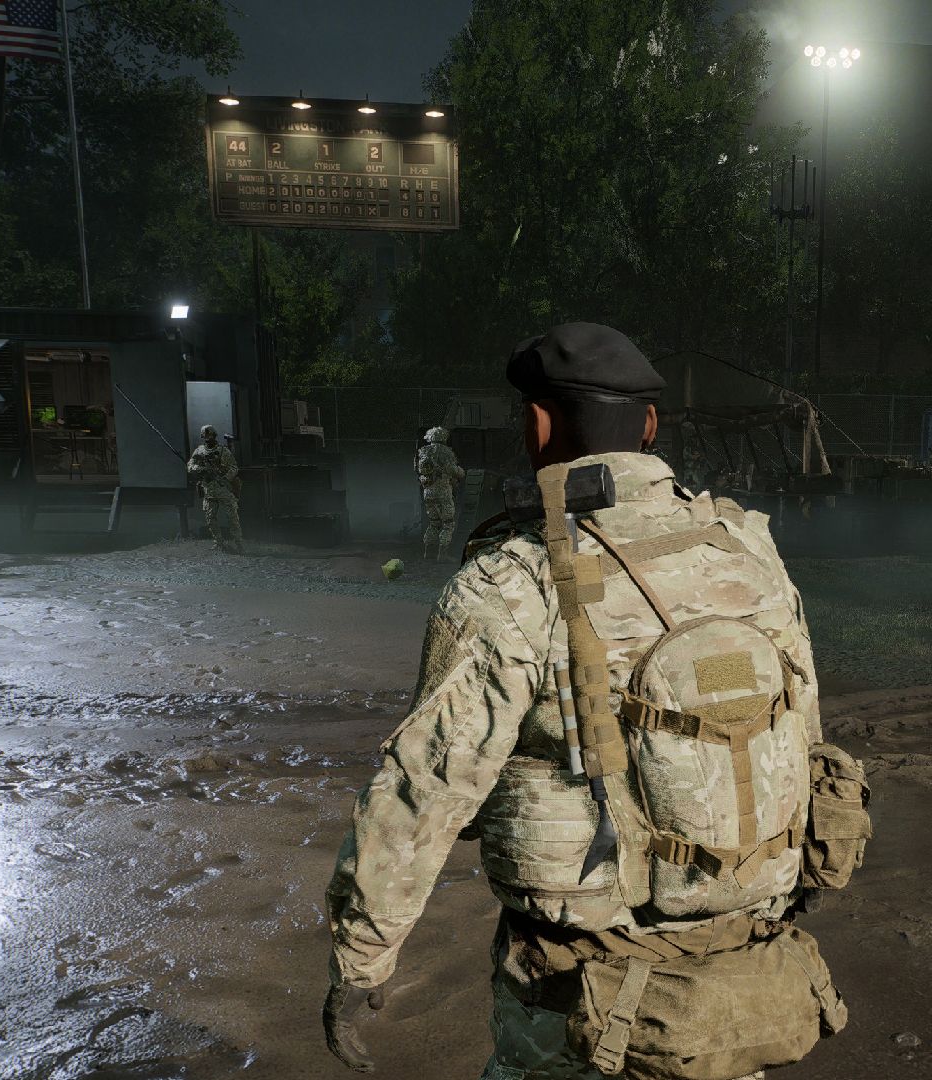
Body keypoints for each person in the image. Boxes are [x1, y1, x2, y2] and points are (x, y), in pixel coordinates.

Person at [324, 323, 858, 1080]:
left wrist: (361, 957)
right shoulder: (750, 551)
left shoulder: (514, 582)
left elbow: (426, 785)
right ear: (649, 427)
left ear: (538, 426)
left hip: (576, 997)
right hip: (735, 989)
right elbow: (801, 742)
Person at [186, 424, 243, 554]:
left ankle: (238, 543)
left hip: (223, 489)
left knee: (232, 517)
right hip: (209, 490)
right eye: (205, 437)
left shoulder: (223, 451)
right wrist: (201, 469)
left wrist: (225, 477)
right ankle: (219, 543)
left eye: (210, 437)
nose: (208, 439)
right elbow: (190, 466)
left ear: (215, 436)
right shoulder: (199, 451)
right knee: (210, 518)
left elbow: (234, 467)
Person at [415, 426, 467, 560]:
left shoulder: (422, 452)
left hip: (428, 491)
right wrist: (461, 472)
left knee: (433, 522)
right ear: (443, 437)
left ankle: (428, 552)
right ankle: (442, 554)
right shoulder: (445, 452)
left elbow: (418, 470)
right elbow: (452, 470)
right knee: (448, 523)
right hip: (443, 491)